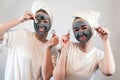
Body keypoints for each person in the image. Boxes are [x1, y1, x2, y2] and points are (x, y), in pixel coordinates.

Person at [0, 0, 59, 80]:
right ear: (34, 21)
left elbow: (47, 77)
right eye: (38, 20)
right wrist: (20, 20)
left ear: (50, 24)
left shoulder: (53, 47)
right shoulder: (21, 35)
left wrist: (48, 48)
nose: (41, 24)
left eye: (45, 21)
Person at [53, 10, 115, 80]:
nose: (80, 32)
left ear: (93, 29)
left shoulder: (97, 54)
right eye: (76, 30)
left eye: (84, 28)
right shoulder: (68, 47)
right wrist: (64, 49)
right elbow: (58, 78)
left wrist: (106, 40)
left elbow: (109, 71)